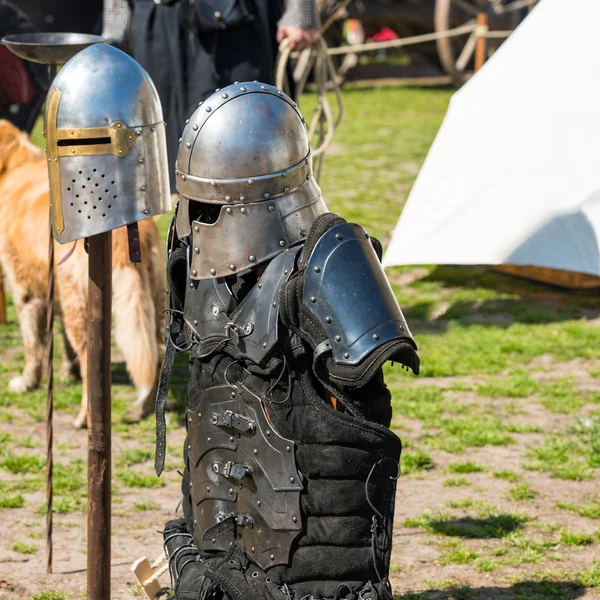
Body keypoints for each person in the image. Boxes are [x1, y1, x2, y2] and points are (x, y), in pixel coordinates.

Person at [154, 81, 420, 600]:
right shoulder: (201, 272)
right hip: (216, 571)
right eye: (193, 203)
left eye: (212, 205)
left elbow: (361, 430)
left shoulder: (330, 265)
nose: (196, 223)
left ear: (256, 193)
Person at [102, 0, 320, 191]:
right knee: (176, 167)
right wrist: (113, 34)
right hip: (162, 19)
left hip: (241, 21)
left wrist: (301, 13)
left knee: (255, 154)